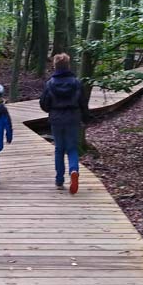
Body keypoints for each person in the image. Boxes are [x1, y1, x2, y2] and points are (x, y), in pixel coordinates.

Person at [39, 53, 89, 193]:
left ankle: (59, 180)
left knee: (59, 149)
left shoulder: (50, 84)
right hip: (73, 118)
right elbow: (83, 102)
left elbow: (44, 103)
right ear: (68, 66)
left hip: (56, 119)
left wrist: (51, 109)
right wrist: (86, 118)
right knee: (72, 148)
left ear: (55, 66)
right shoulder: (76, 82)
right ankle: (74, 170)